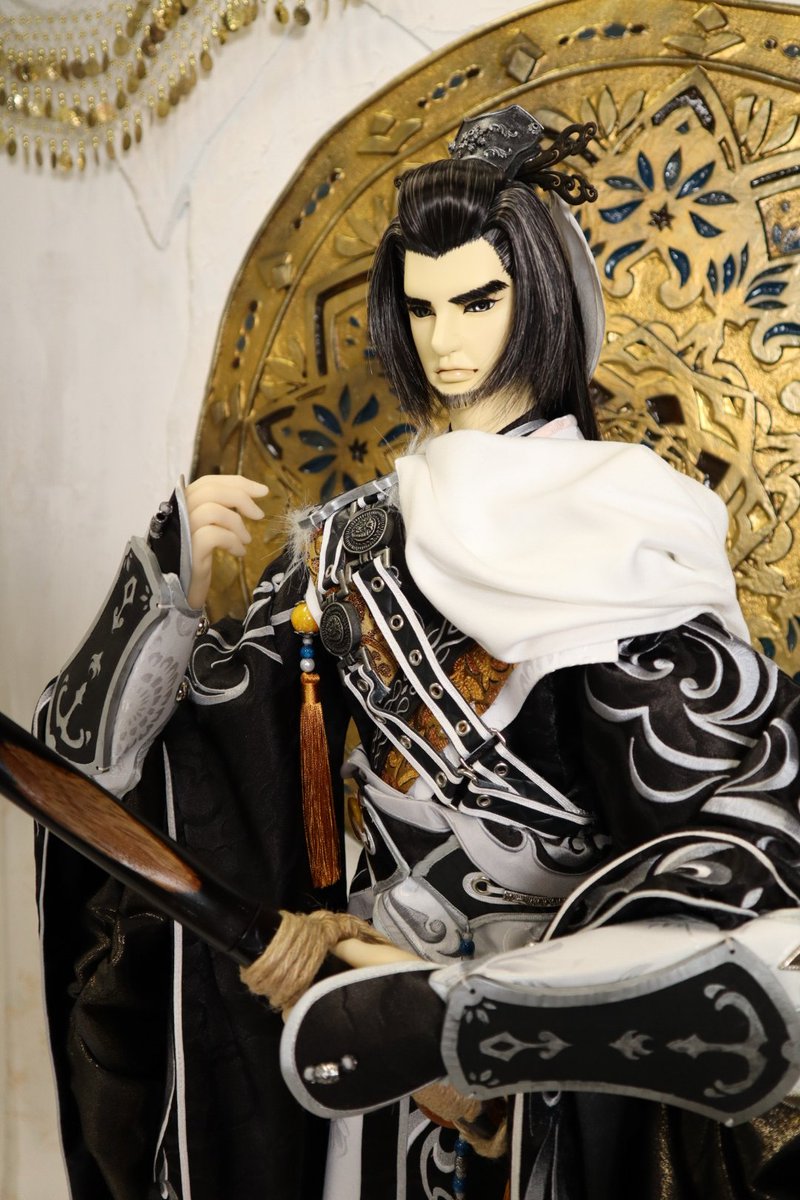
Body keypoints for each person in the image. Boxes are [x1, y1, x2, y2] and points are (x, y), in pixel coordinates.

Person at [36, 105, 800, 1200]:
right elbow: (161, 774)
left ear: (543, 298)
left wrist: (502, 1012)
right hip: (364, 1020)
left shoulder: (636, 522)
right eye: (422, 305)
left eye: (478, 301)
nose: (446, 340)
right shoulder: (349, 540)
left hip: (545, 1035)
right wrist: (162, 595)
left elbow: (732, 822)